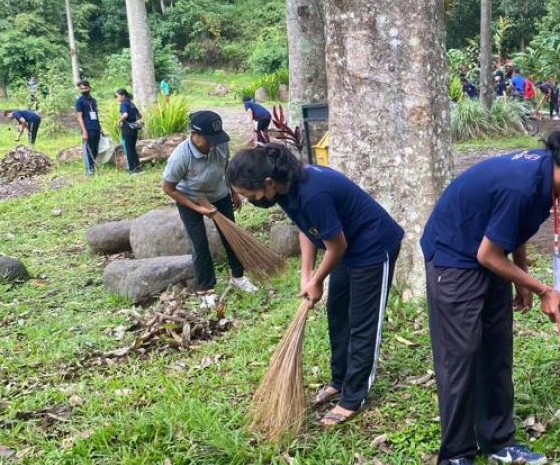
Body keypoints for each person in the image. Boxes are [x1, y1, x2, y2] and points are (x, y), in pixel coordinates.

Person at [419, 130, 560, 465]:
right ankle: (456, 459)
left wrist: (522, 281)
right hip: (455, 256)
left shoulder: (546, 178)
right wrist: (544, 289)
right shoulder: (523, 186)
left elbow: (513, 230)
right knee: (461, 357)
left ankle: (498, 441)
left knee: (497, 350)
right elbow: (487, 255)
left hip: (486, 252)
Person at [228, 144, 404, 426]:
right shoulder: (285, 189)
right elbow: (306, 228)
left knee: (363, 321)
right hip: (348, 247)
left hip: (373, 247)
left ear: (267, 183)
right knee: (337, 314)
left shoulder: (313, 192)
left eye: (251, 195)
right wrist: (306, 272)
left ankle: (353, 396)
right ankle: (340, 378)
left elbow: (337, 247)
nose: (251, 201)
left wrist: (318, 281)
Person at [161, 111, 259, 294]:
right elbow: (168, 188)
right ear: (194, 134)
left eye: (216, 138)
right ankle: (206, 288)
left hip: (219, 194)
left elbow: (226, 167)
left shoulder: (220, 144)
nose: (213, 143)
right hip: (189, 198)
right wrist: (197, 208)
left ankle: (238, 277)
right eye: (208, 139)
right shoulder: (180, 157)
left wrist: (233, 193)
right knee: (199, 243)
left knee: (230, 235)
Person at [74, 80, 102, 175]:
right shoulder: (79, 101)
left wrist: (100, 129)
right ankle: (89, 170)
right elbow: (79, 117)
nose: (84, 90)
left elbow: (96, 115)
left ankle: (93, 167)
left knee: (95, 149)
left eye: (85, 88)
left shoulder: (93, 101)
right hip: (87, 128)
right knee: (88, 149)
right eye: (81, 89)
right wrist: (84, 131)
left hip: (96, 128)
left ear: (89, 88)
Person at [116, 89, 142, 174]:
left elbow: (125, 115)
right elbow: (139, 115)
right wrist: (134, 122)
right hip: (134, 129)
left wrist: (118, 121)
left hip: (127, 128)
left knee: (129, 149)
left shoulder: (124, 104)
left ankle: (132, 169)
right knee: (133, 148)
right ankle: (138, 167)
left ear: (123, 95)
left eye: (118, 96)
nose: (117, 98)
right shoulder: (131, 103)